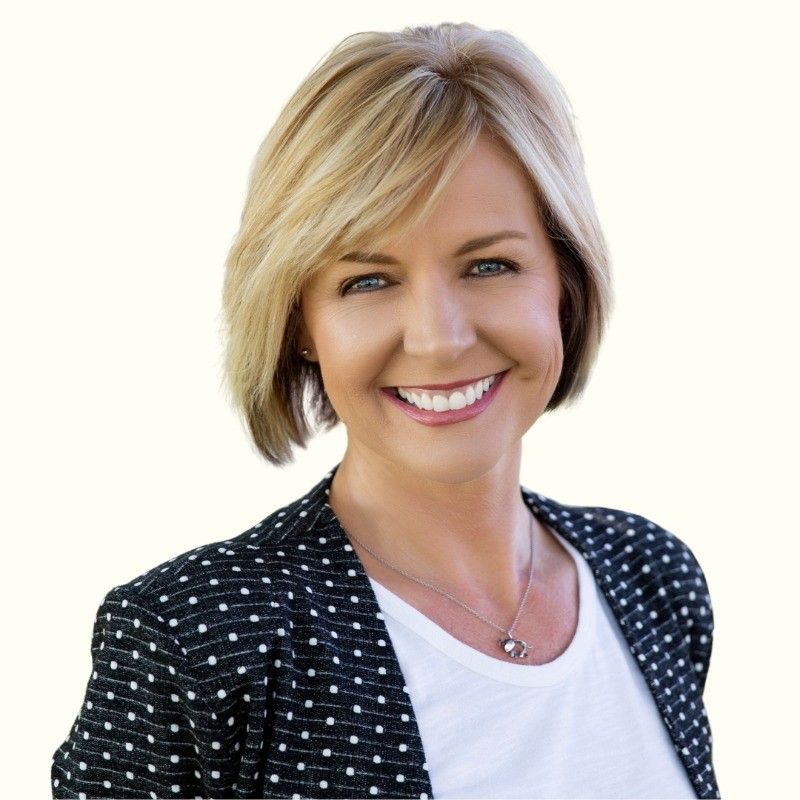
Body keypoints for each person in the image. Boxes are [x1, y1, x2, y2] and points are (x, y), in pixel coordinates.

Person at [52, 22, 718, 800]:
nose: (439, 339)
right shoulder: (198, 639)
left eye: (490, 265)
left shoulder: (652, 578)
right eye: (367, 281)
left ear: (564, 285)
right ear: (300, 324)